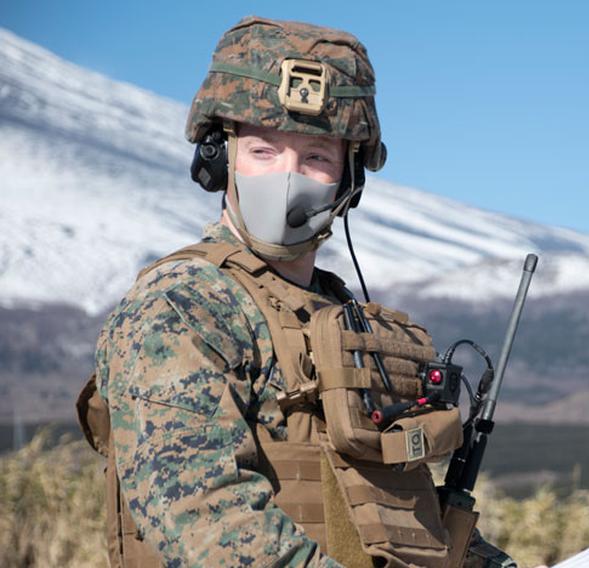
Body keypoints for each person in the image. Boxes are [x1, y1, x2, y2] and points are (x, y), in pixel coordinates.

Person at [76, 15, 516, 568]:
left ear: (349, 181)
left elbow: (401, 509)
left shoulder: (348, 321)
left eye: (316, 158)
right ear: (219, 160)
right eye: (263, 151)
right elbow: (203, 517)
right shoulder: (182, 307)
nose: (289, 176)